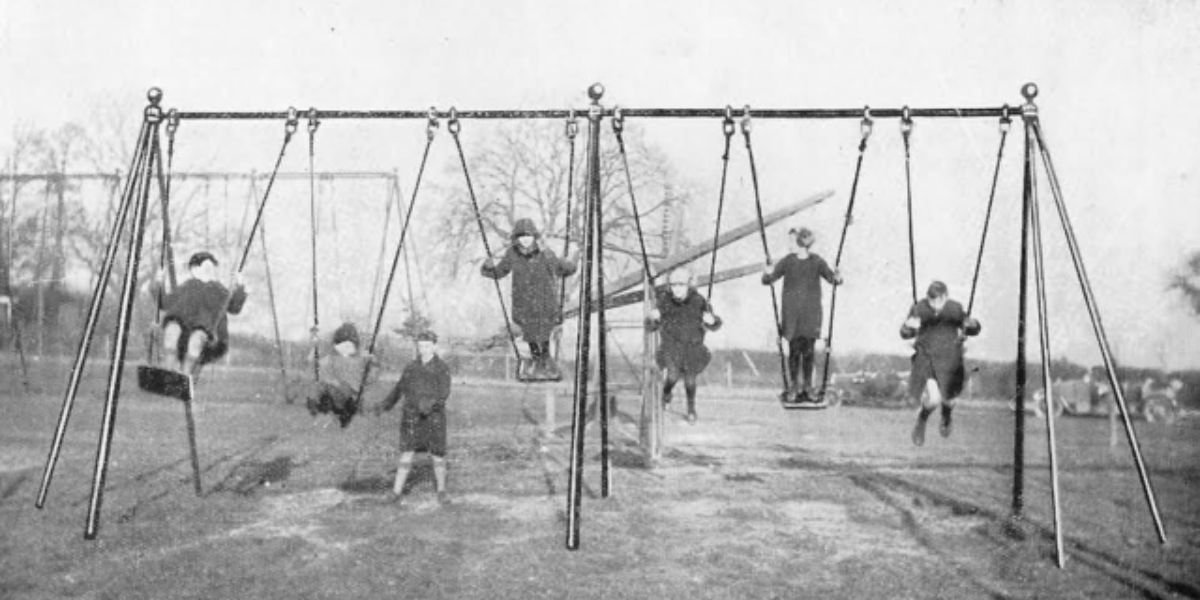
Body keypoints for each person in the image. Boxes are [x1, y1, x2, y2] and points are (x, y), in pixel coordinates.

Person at [480, 218, 576, 379]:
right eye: (522, 237)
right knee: (531, 333)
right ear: (516, 239)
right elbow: (500, 272)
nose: (525, 240)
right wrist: (488, 268)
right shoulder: (512, 254)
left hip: (545, 302)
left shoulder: (545, 253)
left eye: (529, 237)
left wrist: (568, 263)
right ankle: (539, 363)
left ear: (534, 238)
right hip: (524, 303)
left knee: (543, 332)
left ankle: (545, 363)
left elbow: (562, 269)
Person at [761, 227, 842, 403]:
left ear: (801, 243)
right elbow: (769, 280)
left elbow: (832, 279)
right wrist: (767, 273)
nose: (789, 245)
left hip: (811, 315)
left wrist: (838, 276)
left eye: (792, 241)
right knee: (794, 352)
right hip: (791, 315)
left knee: (809, 353)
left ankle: (807, 388)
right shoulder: (787, 261)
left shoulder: (817, 261)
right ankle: (793, 388)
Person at [374, 330, 452, 505]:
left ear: (434, 346)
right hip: (411, 417)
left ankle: (441, 491)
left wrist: (429, 404)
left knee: (437, 455)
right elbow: (399, 388)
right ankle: (396, 492)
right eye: (421, 346)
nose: (423, 349)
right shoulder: (411, 367)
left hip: (434, 417)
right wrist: (385, 405)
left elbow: (444, 392)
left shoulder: (442, 368)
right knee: (406, 453)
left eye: (427, 346)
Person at [901, 281, 981, 446]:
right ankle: (921, 421)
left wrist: (972, 325)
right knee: (934, 399)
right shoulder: (919, 309)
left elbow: (973, 329)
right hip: (927, 358)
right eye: (932, 301)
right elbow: (905, 333)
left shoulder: (955, 309)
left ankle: (946, 415)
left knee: (949, 400)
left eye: (939, 301)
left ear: (946, 297)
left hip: (950, 359)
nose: (935, 305)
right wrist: (908, 327)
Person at [647, 268, 722, 424]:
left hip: (692, 347)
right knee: (673, 375)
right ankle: (666, 393)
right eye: (674, 285)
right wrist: (653, 318)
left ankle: (691, 409)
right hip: (671, 346)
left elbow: (715, 324)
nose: (677, 289)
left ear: (689, 285)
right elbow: (651, 327)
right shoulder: (664, 301)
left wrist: (712, 320)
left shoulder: (699, 301)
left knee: (690, 380)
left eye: (681, 285)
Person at [157, 251, 247, 376]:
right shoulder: (187, 287)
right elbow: (164, 302)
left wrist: (240, 287)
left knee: (196, 338)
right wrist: (159, 283)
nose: (209, 271)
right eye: (205, 267)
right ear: (194, 269)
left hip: (207, 335)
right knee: (171, 331)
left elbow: (234, 307)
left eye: (211, 268)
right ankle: (167, 370)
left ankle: (184, 374)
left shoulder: (218, 290)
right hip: (182, 333)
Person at [306, 322, 377, 428]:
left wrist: (315, 354)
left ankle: (324, 406)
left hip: (336, 393)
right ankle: (342, 411)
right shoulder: (362, 358)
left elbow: (316, 367)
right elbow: (370, 379)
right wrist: (371, 365)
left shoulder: (330, 357)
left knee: (322, 389)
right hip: (350, 394)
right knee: (333, 392)